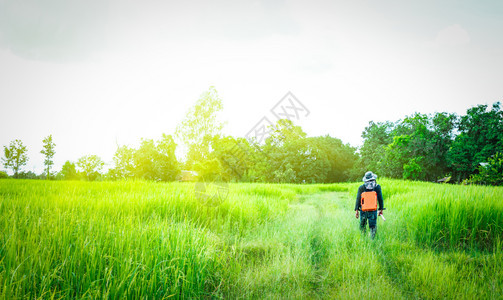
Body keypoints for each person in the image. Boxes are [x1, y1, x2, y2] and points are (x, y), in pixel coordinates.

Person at [355, 171, 384, 239]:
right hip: (373, 210)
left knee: (362, 226)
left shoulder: (361, 187)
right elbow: (380, 199)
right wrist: (381, 209)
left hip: (363, 210)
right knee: (373, 226)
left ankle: (363, 239)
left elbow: (358, 199)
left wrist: (357, 210)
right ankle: (372, 240)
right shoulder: (377, 187)